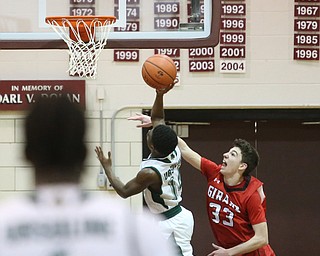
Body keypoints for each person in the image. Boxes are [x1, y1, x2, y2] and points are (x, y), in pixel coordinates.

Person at [0, 95, 175, 256]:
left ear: (26, 154)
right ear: (84, 154)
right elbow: (158, 119)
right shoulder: (137, 229)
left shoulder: (4, 225)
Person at [128, 114, 276, 256]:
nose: (225, 155)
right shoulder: (215, 173)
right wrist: (158, 128)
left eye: (232, 154)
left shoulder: (251, 195)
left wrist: (229, 252)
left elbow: (262, 238)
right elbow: (185, 149)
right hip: (230, 252)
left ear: (242, 166)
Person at [95, 86, 194, 256]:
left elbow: (125, 191)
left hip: (171, 222)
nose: (150, 129)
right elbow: (158, 117)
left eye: (151, 133)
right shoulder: (172, 149)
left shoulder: (150, 173)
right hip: (172, 216)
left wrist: (108, 168)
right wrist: (159, 94)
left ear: (152, 145)